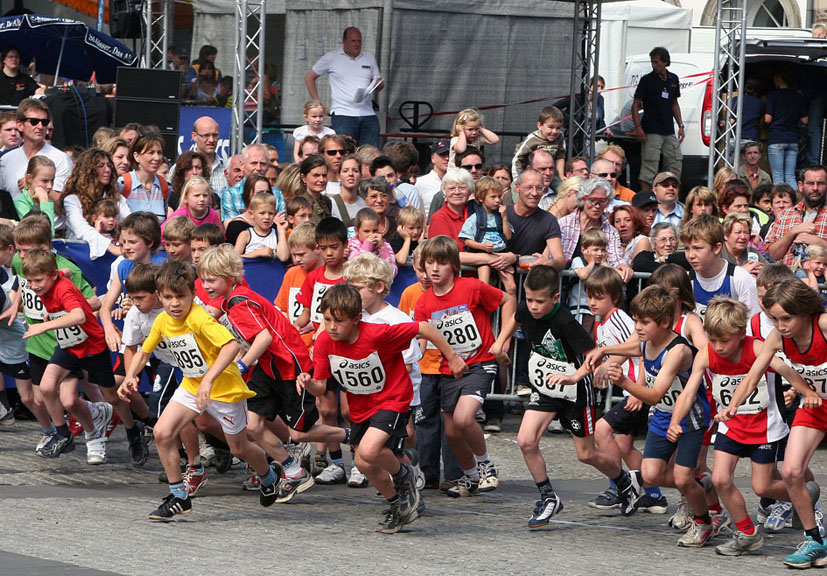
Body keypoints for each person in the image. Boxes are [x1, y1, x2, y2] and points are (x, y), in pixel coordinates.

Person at [119, 261, 280, 520]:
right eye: (169, 297)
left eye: (181, 296)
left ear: (192, 294)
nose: (174, 303)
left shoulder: (200, 318)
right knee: (162, 431)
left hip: (224, 389)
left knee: (239, 448)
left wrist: (209, 380)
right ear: (160, 296)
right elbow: (143, 351)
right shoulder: (162, 321)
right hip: (192, 385)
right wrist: (130, 377)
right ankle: (179, 496)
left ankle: (268, 475)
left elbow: (230, 346)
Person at [300, 283, 465, 532]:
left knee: (368, 450)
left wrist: (451, 356)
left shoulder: (378, 334)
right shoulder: (324, 341)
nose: (332, 326)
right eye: (327, 319)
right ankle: (399, 504)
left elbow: (423, 327)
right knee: (364, 463)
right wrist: (308, 382)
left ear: (357, 319)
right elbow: (321, 387)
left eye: (339, 321)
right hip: (361, 407)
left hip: (393, 399)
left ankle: (403, 475)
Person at [489, 265, 643, 527]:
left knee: (586, 454)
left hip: (575, 391)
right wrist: (500, 341)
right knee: (526, 440)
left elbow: (593, 356)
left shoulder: (566, 322)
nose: (534, 306)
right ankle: (548, 497)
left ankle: (626, 482)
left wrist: (573, 377)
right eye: (530, 299)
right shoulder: (527, 306)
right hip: (547, 386)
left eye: (540, 301)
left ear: (555, 298)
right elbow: (516, 316)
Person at [198, 246, 349, 503]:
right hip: (270, 369)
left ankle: (353, 436)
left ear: (230, 277)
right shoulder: (230, 300)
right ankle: (292, 469)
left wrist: (243, 365)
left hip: (290, 367)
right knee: (253, 423)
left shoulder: (238, 302)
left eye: (212, 279)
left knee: (300, 433)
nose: (206, 285)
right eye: (203, 279)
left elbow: (264, 337)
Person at [674, 298, 804, 556]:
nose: (719, 347)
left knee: (762, 487)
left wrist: (802, 392)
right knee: (721, 479)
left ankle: (803, 495)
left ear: (740, 333)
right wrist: (676, 421)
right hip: (731, 424)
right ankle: (747, 533)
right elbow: (688, 393)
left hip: (764, 427)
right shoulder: (707, 354)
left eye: (725, 340)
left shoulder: (756, 348)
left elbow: (787, 370)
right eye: (713, 340)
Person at [605, 285, 711, 547]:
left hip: (689, 417)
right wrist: (602, 354)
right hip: (663, 415)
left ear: (664, 323)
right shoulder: (646, 343)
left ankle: (703, 522)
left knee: (682, 478)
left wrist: (625, 382)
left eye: (644, 322)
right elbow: (634, 354)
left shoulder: (677, 351)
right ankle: (702, 485)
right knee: (650, 475)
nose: (638, 327)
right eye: (636, 321)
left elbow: (653, 394)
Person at [733, 279, 827, 568]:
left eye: (786, 318)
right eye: (774, 318)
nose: (781, 325)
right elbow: (752, 375)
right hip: (816, 406)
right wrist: (732, 405)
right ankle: (814, 541)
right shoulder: (777, 337)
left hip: (816, 400)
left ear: (805, 311)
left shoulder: (823, 324)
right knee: (791, 471)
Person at [414, 236, 513, 497]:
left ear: (454, 266)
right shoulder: (424, 302)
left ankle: (485, 465)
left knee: (463, 418)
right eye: (430, 263)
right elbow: (423, 341)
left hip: (480, 363)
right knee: (452, 431)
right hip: (449, 370)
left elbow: (508, 300)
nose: (435, 269)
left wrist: (502, 341)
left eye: (442, 263)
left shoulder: (471, 287)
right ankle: (469, 477)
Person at [20, 248, 114, 465]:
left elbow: (79, 315)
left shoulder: (62, 290)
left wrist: (45, 325)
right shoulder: (56, 277)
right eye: (29, 281)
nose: (33, 287)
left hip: (92, 344)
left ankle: (115, 419)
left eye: (37, 281)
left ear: (51, 275)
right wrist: (51, 312)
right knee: (46, 388)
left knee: (111, 398)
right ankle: (66, 433)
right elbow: (65, 272)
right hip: (68, 345)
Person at [586, 266, 666, 513]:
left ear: (614, 298)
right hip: (632, 390)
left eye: (599, 297)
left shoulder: (619, 318)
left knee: (602, 429)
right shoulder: (601, 324)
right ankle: (654, 495)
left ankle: (619, 486)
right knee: (624, 445)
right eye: (589, 297)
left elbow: (640, 349)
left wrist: (637, 387)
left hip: (639, 392)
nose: (592, 303)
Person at [344, 253, 426, 489]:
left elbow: (408, 363)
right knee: (375, 444)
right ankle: (395, 474)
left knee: (401, 436)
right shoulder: (355, 318)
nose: (352, 294)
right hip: (368, 391)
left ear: (379, 287)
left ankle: (408, 466)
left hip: (399, 391)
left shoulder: (396, 319)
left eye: (357, 288)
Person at [294, 218, 348, 479]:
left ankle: (360, 462)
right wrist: (291, 330)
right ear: (317, 248)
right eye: (324, 248)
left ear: (345, 247)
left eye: (334, 247)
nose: (329, 253)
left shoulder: (351, 277)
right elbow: (305, 315)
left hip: (349, 353)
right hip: (322, 353)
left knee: (349, 411)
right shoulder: (313, 278)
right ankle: (337, 463)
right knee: (326, 410)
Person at [305, 27, 383, 148]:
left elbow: (379, 83)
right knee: (344, 152)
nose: (357, 44)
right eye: (353, 41)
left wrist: (378, 84)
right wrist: (318, 103)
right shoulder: (332, 57)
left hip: (367, 113)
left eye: (359, 41)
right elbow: (310, 77)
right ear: (344, 41)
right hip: (343, 114)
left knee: (370, 153)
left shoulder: (369, 57)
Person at [681, 213, 760, 318]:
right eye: (687, 248)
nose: (691, 255)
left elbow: (753, 324)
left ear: (717, 248)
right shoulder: (686, 282)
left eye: (697, 248)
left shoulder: (740, 279)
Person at [559, 178, 634, 281]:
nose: (597, 206)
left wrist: (622, 266)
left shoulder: (611, 231)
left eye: (602, 201)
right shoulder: (564, 224)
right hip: (563, 284)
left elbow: (615, 258)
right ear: (582, 199)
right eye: (592, 200)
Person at [0, 99, 72, 201]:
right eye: (34, 122)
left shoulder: (61, 159)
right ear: (20, 125)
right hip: (15, 217)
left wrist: (36, 188)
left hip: (48, 216)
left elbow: (65, 205)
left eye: (44, 122)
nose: (40, 126)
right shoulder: (6, 160)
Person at [632, 47, 684, 190]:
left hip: (668, 129)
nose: (654, 65)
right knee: (650, 166)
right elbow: (635, 104)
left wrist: (681, 125)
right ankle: (646, 201)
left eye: (657, 62)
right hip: (651, 129)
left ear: (666, 62)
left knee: (675, 161)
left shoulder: (673, 79)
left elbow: (674, 103)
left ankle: (670, 195)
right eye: (652, 62)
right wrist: (638, 127)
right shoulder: (647, 80)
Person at [458, 176, 514, 294]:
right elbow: (467, 240)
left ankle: (511, 312)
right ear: (481, 198)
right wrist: (482, 247)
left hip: (501, 255)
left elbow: (508, 237)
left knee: (511, 287)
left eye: (499, 196)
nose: (497, 200)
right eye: (493, 197)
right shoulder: (475, 218)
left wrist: (504, 217)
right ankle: (483, 309)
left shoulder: (500, 216)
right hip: (483, 256)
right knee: (484, 285)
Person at [766, 164, 827, 268]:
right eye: (810, 183)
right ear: (800, 186)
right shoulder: (785, 214)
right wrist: (792, 232)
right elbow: (773, 255)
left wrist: (819, 242)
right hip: (788, 280)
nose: (815, 188)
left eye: (820, 183)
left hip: (821, 281)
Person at [221, 144, 285, 222]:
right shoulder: (230, 194)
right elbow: (232, 228)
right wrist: (270, 222)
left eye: (263, 164)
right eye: (253, 163)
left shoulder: (276, 193)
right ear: (242, 165)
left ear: (268, 166)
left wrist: (244, 220)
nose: (258, 168)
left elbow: (281, 224)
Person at [765, 71, 808, 187]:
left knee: (778, 176)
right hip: (793, 139)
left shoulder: (773, 96)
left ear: (779, 79)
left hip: (777, 137)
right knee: (790, 176)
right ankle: (796, 202)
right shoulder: (797, 97)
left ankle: (780, 203)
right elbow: (805, 120)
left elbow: (767, 119)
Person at [119, 133, 168, 222]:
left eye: (159, 153)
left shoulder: (166, 185)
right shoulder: (122, 183)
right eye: (151, 153)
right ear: (136, 156)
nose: (157, 157)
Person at [567, 229, 608, 332]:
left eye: (603, 250)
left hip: (596, 311)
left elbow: (613, 277)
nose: (599, 253)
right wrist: (591, 263)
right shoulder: (578, 261)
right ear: (584, 250)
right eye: (596, 250)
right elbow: (583, 274)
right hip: (580, 309)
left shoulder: (601, 265)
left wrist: (605, 266)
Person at [511, 106, 566, 181]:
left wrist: (561, 176)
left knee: (563, 189)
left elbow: (560, 157)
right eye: (551, 127)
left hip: (549, 175)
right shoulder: (532, 140)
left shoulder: (560, 137)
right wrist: (517, 179)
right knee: (517, 190)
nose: (554, 131)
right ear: (540, 126)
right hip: (529, 175)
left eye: (558, 128)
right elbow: (517, 159)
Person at [233, 192, 289, 261]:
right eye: (262, 213)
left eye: (271, 213)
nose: (267, 217)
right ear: (251, 214)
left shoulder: (277, 234)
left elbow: (284, 257)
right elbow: (234, 259)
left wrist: (281, 231)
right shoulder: (246, 235)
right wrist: (257, 253)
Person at [347, 207, 397, 275]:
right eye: (366, 231)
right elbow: (356, 272)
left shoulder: (385, 245)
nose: (371, 234)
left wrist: (382, 248)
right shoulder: (351, 245)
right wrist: (366, 247)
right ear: (357, 231)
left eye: (375, 230)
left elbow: (392, 273)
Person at [14, 156, 55, 232]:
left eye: (52, 180)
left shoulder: (48, 201)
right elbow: (47, 233)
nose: (50, 186)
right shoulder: (20, 203)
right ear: (29, 178)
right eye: (44, 181)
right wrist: (44, 202)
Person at [721, 212, 767, 277]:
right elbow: (714, 277)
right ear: (726, 235)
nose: (743, 237)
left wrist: (764, 273)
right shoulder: (717, 252)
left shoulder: (753, 252)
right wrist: (741, 271)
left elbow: (771, 273)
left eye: (746, 233)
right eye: (738, 232)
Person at [418, 139, 450, 220]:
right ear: (433, 158)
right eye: (442, 154)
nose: (447, 158)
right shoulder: (421, 182)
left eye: (450, 154)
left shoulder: (460, 181)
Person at [329, 155, 364, 225]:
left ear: (361, 176)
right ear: (338, 177)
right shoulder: (331, 204)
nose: (350, 174)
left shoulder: (366, 204)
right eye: (345, 171)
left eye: (355, 171)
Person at [298, 154, 332, 223]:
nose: (321, 179)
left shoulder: (327, 201)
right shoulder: (298, 203)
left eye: (324, 175)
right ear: (304, 178)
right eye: (316, 175)